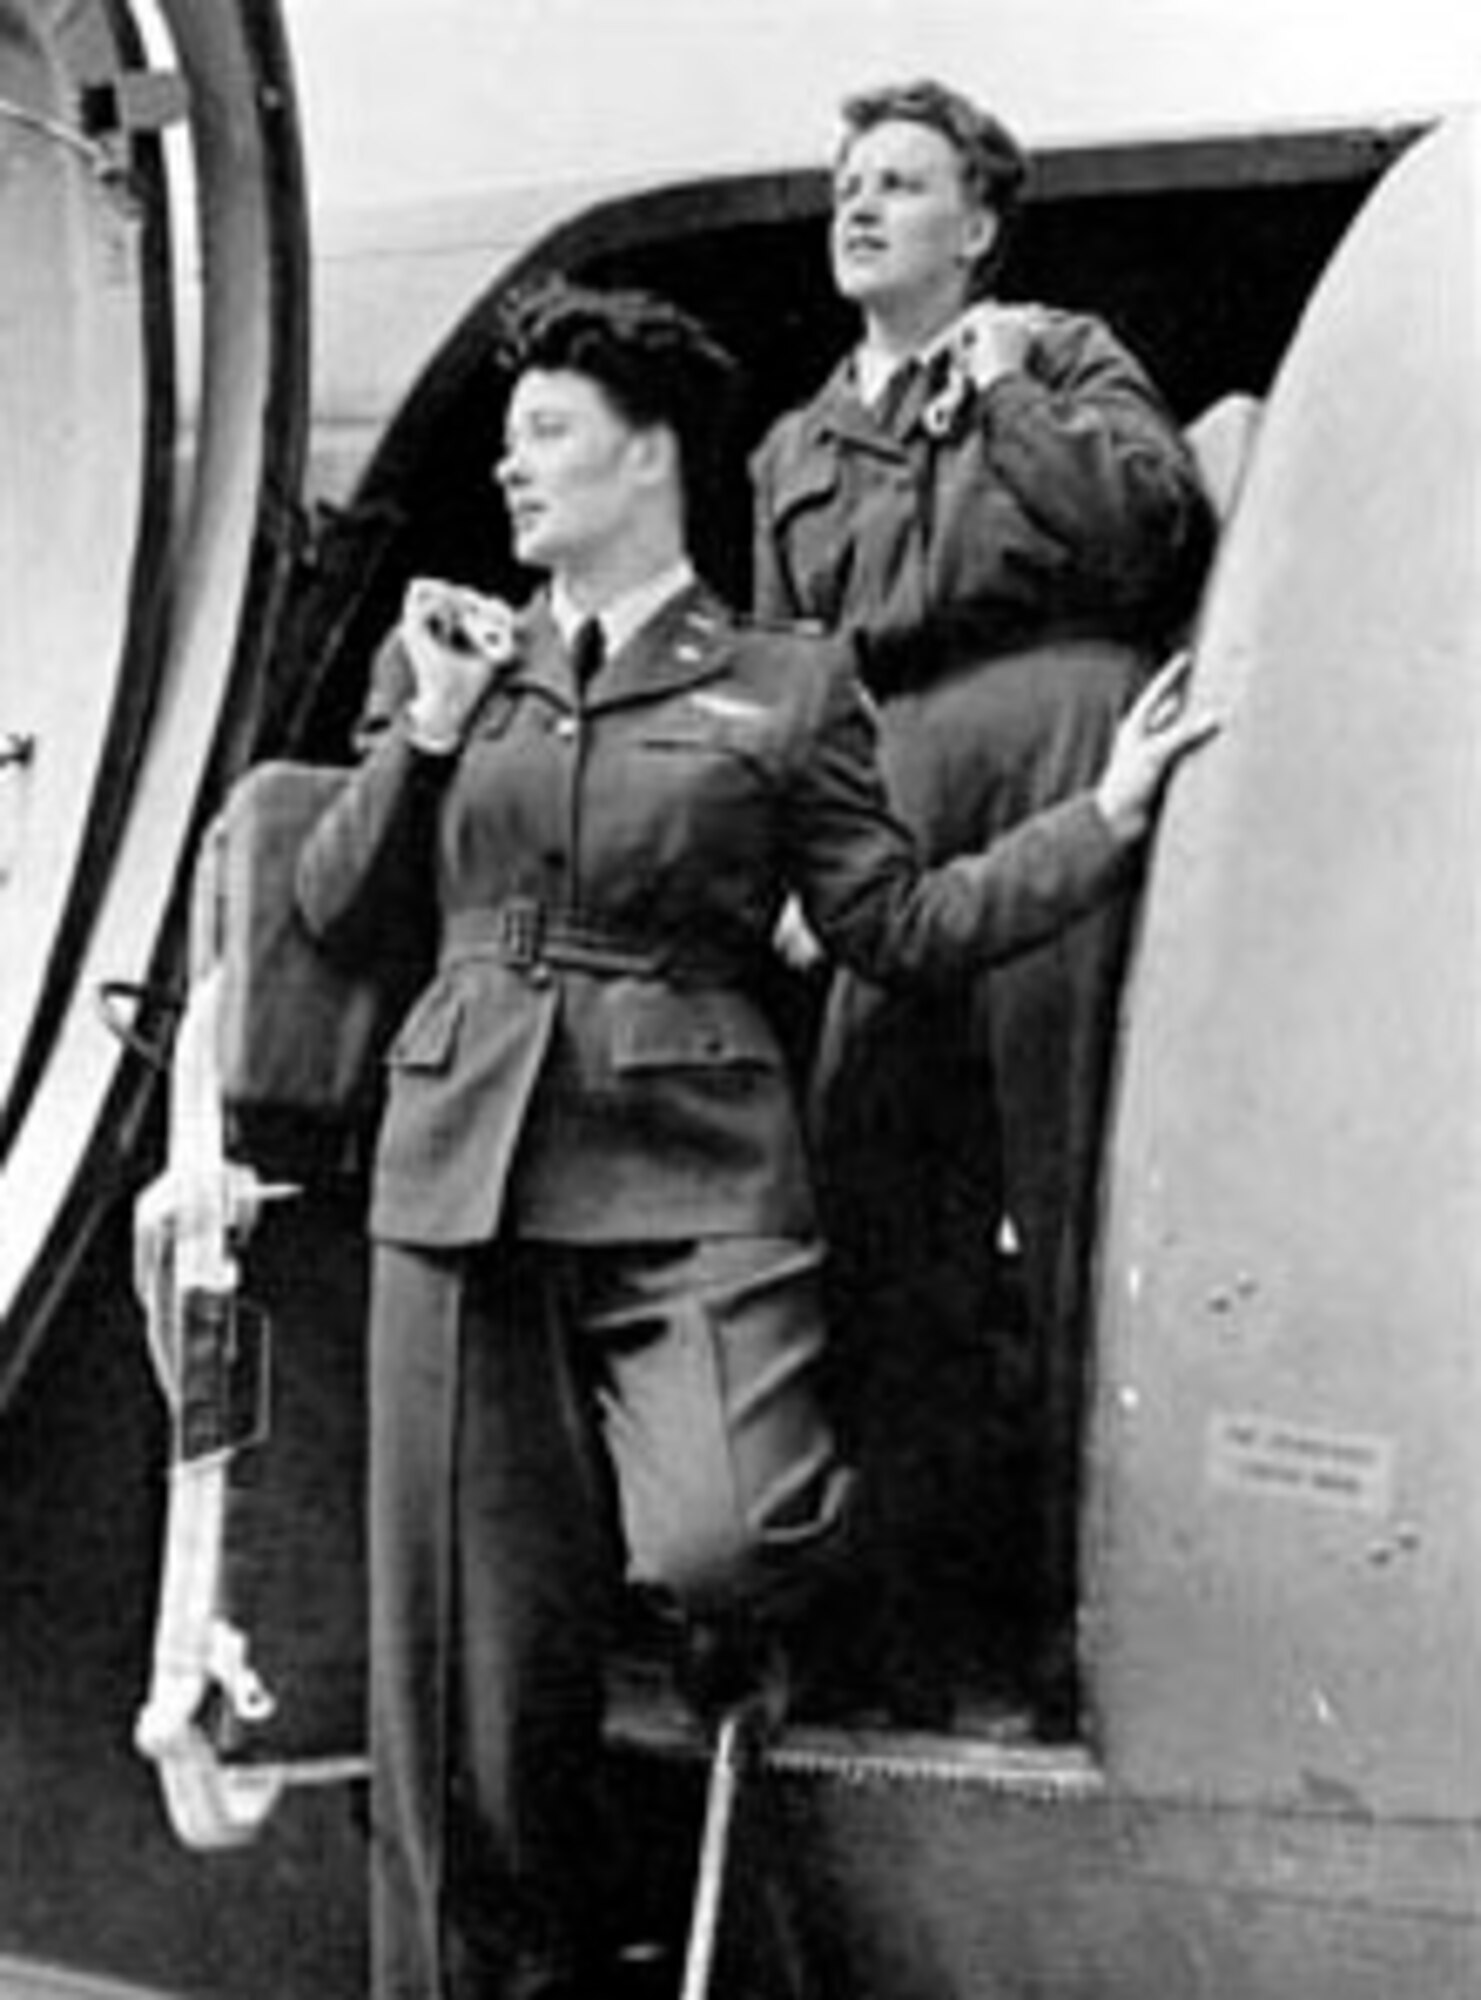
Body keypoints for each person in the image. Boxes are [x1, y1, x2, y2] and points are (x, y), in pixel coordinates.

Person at [295, 279, 1212, 2000]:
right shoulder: (457, 670)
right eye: (509, 445)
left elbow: (901, 926)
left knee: (730, 1533)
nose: (512, 473)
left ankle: (794, 1632)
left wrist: (1099, 818)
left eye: (546, 437)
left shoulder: (787, 689)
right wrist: (418, 724)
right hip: (460, 1184)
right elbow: (340, 908)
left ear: (650, 463)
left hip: (685, 1165)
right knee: (463, 1686)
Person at [751, 79, 1215, 1716]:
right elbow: (777, 681)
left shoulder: (1062, 354)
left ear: (978, 223)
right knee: (880, 1214)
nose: (859, 208)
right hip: (882, 802)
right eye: (846, 186)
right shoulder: (792, 449)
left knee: (1059, 1189)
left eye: (898, 183)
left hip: (1057, 741)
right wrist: (799, 861)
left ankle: (1075, 1647)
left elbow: (1137, 529)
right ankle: (910, 1641)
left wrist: (1008, 393)